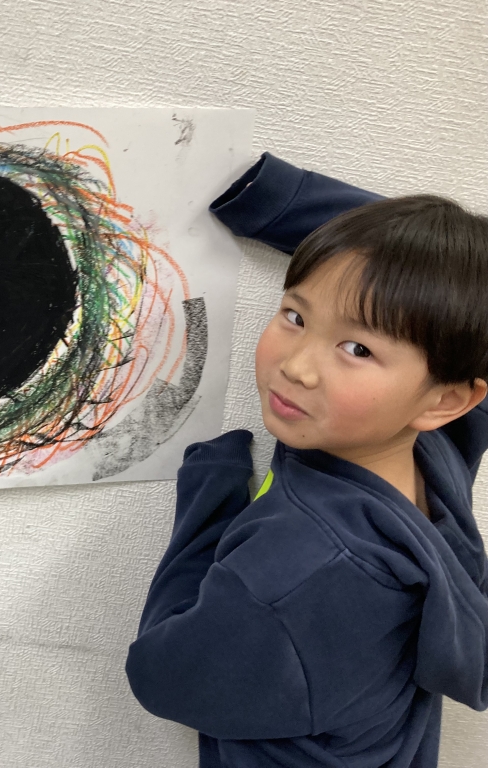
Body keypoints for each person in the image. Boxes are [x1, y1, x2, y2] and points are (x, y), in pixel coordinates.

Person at [125, 152, 488, 768]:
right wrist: (275, 199)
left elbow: (162, 676)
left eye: (356, 350)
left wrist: (210, 498)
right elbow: (426, 289)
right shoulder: (435, 444)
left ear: (445, 400)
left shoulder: (300, 569)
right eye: (294, 316)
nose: (297, 365)